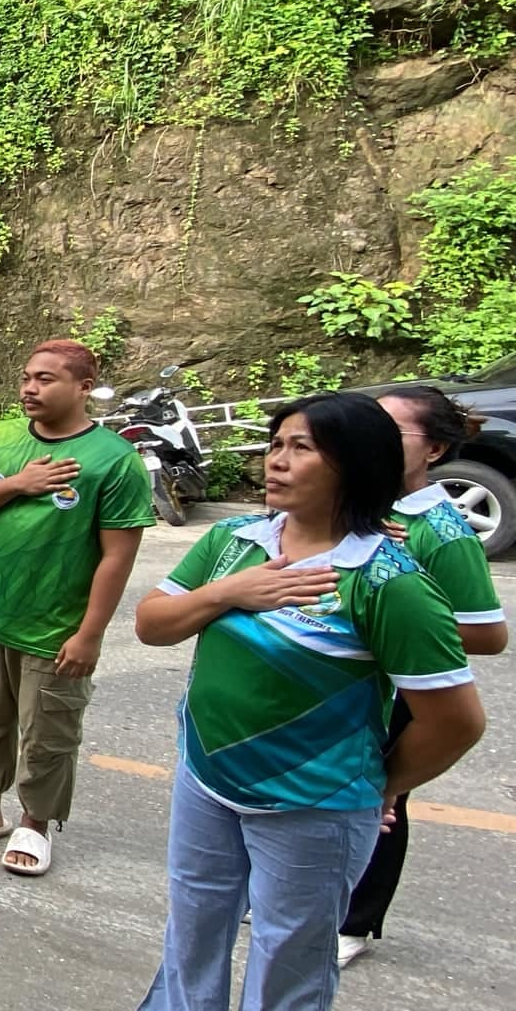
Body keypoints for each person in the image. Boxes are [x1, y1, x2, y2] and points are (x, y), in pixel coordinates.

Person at [134, 392, 487, 1011]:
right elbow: (154, 623)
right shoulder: (233, 540)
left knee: (290, 958)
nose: (277, 461)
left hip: (314, 805)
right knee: (192, 931)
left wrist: (381, 784)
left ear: (355, 464)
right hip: (206, 778)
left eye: (302, 448)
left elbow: (455, 721)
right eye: (276, 445)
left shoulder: (390, 581)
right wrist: (231, 591)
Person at [0, 339, 153, 874]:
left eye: (46, 379)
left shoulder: (114, 461)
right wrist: (18, 484)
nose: (31, 388)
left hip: (57, 628)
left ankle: (35, 822)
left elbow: (116, 557)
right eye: (27, 377)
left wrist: (90, 634)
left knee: (49, 732)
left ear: (83, 388)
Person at [338, 387, 508, 967]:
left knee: (381, 797)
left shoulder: (441, 528)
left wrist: (403, 618)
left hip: (403, 688)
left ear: (433, 449)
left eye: (393, 431)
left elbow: (488, 635)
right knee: (325, 789)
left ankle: (355, 921)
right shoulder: (357, 507)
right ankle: (311, 894)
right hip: (343, 684)